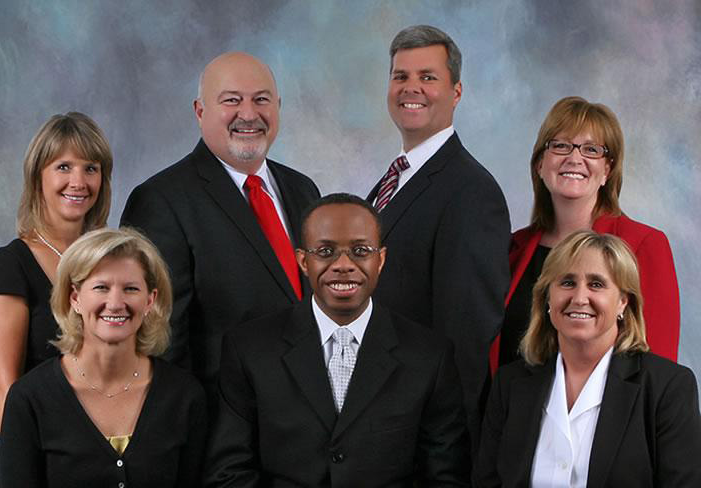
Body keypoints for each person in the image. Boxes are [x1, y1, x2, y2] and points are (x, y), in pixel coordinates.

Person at [205, 194, 471, 487]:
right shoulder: (249, 349)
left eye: (360, 250)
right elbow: (229, 472)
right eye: (325, 251)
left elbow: (446, 478)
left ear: (380, 259)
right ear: (304, 261)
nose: (343, 264)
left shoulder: (429, 356)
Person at [120, 52, 319, 407]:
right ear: (200, 111)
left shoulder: (303, 190)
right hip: (222, 435)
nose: (248, 114)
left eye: (261, 100)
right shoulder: (160, 201)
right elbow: (160, 345)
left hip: (308, 430)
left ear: (278, 107)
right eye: (231, 100)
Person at [366, 24, 511, 454]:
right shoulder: (395, 179)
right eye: (401, 76)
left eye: (428, 77)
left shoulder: (472, 193)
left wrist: (439, 451)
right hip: (375, 424)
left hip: (420, 438)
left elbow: (464, 341)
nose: (412, 88)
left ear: (457, 91)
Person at [474, 231, 701, 487]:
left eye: (596, 284)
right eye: (567, 283)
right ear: (548, 297)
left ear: (623, 302)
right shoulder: (509, 384)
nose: (580, 298)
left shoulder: (666, 388)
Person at [0, 227, 207, 487]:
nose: (116, 303)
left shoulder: (185, 396)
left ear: (150, 300)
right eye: (101, 287)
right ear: (75, 298)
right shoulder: (29, 399)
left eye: (130, 288)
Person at [494, 96, 680, 371]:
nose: (574, 158)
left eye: (591, 150)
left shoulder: (642, 245)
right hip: (513, 412)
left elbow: (660, 369)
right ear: (540, 165)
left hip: (609, 414)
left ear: (607, 170)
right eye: (560, 145)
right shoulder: (514, 249)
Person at [0, 112, 113, 431]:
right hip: (43, 451)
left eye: (90, 168)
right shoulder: (10, 265)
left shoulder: (112, 260)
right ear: (38, 176)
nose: (78, 182)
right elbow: (3, 388)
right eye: (63, 167)